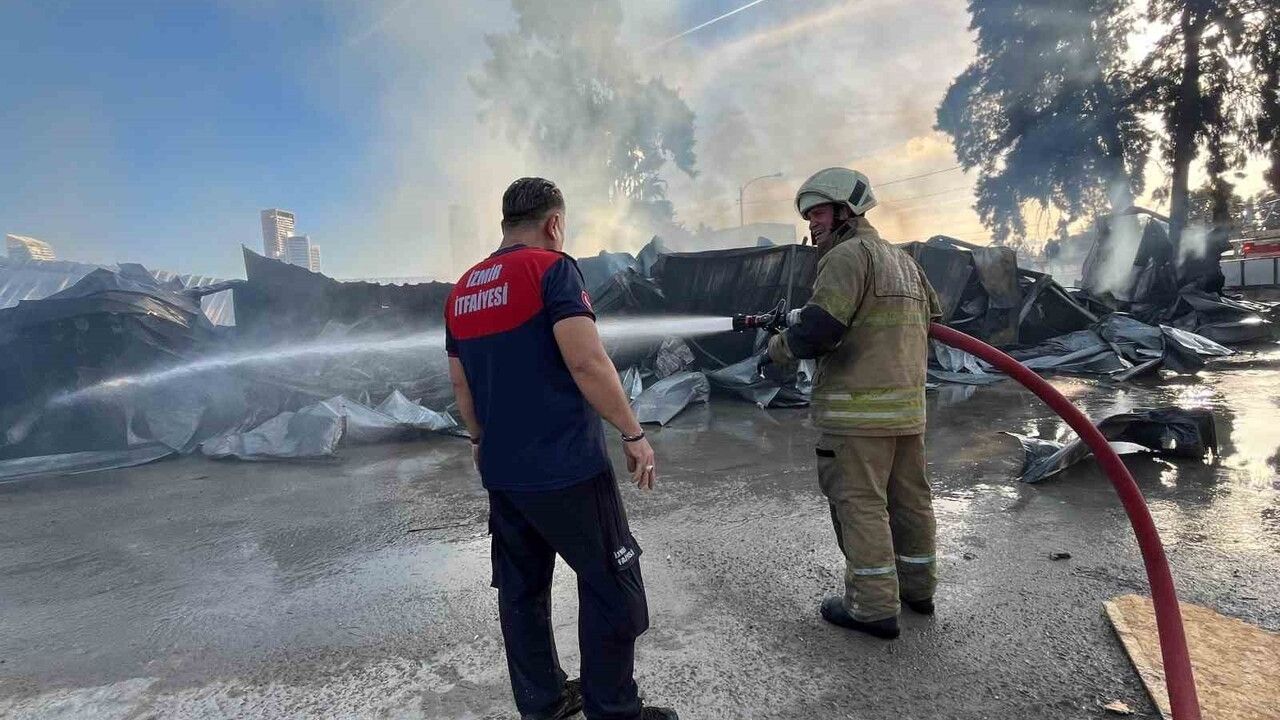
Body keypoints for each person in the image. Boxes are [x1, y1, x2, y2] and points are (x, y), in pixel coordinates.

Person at [444, 177, 679, 720]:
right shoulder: (552, 269)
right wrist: (633, 432)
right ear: (554, 223)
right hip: (567, 469)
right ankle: (614, 710)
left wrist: (480, 441)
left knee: (521, 593)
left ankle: (543, 703)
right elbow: (586, 361)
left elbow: (461, 385)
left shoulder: (461, 290)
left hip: (504, 473)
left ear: (504, 223)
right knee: (613, 588)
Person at [765, 167, 942, 640]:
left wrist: (779, 347)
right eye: (808, 215)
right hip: (907, 412)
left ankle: (872, 607)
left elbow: (822, 329)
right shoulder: (903, 261)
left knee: (860, 504)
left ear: (847, 210)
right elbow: (931, 320)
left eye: (818, 212)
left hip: (857, 413)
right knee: (911, 501)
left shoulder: (845, 256)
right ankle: (917, 589)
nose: (812, 223)